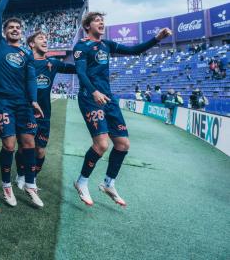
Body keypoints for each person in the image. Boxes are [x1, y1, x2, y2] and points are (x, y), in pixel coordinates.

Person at [72, 12, 171, 208]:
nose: (102, 22)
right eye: (97, 20)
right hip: (90, 98)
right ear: (87, 26)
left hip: (108, 99)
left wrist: (156, 39)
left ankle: (108, 183)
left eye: (103, 20)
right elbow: (81, 73)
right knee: (101, 145)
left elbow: (134, 50)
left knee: (123, 144)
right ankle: (81, 181)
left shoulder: (107, 45)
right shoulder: (81, 46)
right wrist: (93, 92)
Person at [0, 0, 44, 209]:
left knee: (29, 142)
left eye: (17, 27)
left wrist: (33, 100)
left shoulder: (25, 53)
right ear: (4, 31)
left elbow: (31, 77)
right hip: (3, 101)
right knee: (10, 145)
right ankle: (6, 185)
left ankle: (31, 185)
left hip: (23, 103)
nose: (14, 29)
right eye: (10, 27)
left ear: (22, 32)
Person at [27, 31, 76, 187]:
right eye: (41, 38)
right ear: (31, 44)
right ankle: (22, 175)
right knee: (24, 148)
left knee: (40, 150)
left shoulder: (53, 63)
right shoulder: (24, 62)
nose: (45, 40)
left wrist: (88, 60)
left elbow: (74, 69)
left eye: (46, 38)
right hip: (25, 112)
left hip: (44, 114)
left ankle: (32, 177)